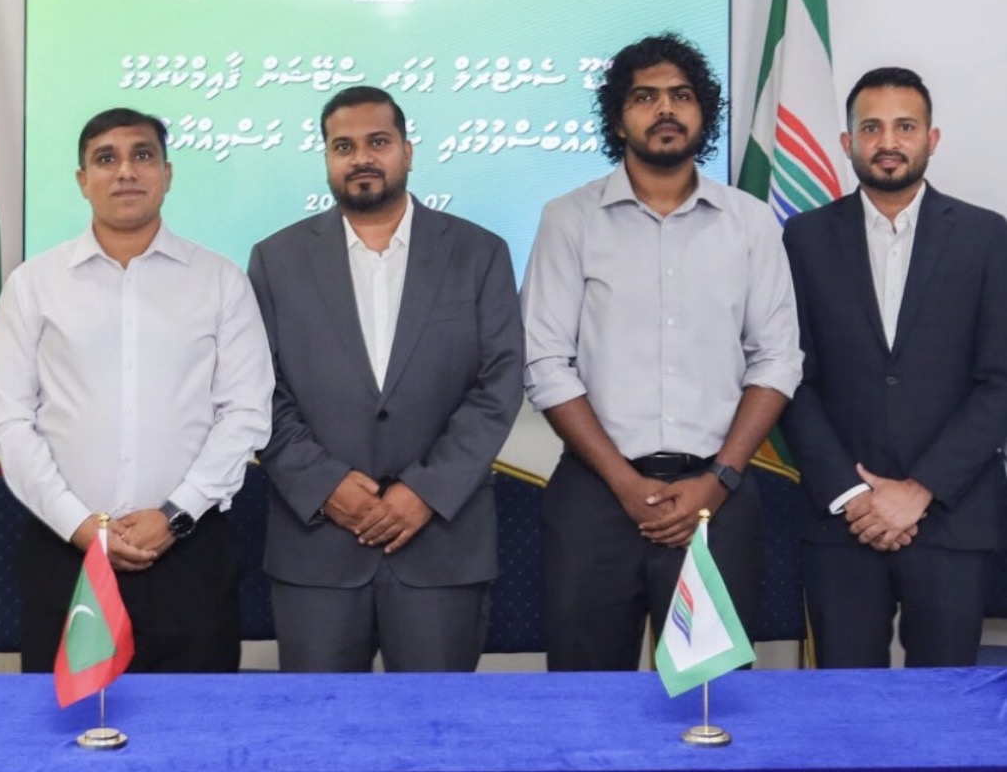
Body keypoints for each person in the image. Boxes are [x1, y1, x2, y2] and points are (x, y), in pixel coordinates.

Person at [520, 34, 802, 671]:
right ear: (618, 118)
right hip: (597, 497)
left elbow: (778, 359)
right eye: (644, 97)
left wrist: (717, 480)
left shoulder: (749, 222)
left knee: (708, 696)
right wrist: (624, 483)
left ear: (704, 113)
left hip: (717, 493)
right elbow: (544, 362)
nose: (665, 109)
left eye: (681, 95)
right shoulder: (569, 219)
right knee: (588, 699)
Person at [0, 107, 273, 673]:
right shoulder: (33, 285)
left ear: (167, 173)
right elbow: (8, 422)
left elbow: (245, 413)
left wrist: (175, 516)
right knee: (70, 720)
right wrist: (79, 525)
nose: (125, 171)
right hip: (64, 553)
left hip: (189, 553)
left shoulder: (219, 280)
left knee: (193, 721)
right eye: (105, 159)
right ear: (82, 179)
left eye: (142, 155)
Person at [248, 85, 524, 672]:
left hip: (441, 545)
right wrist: (325, 484)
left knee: (435, 722)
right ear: (327, 158)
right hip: (317, 547)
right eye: (343, 146)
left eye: (378, 142)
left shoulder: (478, 253)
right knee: (320, 723)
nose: (362, 158)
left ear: (407, 150)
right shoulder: (276, 259)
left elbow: (498, 385)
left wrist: (425, 491)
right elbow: (257, 389)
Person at [781, 67, 1007, 668]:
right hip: (841, 521)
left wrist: (920, 489)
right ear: (846, 142)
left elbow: (1000, 382)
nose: (888, 142)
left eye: (905, 127)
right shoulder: (801, 239)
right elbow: (790, 379)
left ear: (932, 139)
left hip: (953, 517)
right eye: (871, 128)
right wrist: (854, 494)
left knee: (945, 704)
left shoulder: (988, 236)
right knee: (848, 703)